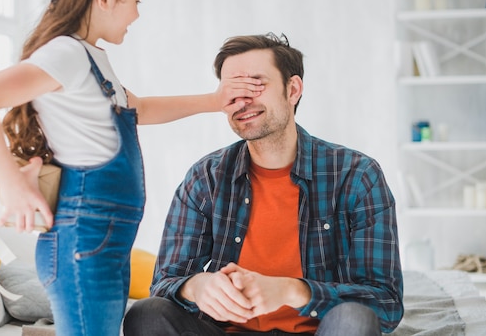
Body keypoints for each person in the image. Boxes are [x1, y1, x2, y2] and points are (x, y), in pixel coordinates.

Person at [0, 0, 262, 336]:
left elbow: (142, 108)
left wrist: (213, 100)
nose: (136, 13)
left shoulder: (92, 59)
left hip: (105, 242)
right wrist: (12, 186)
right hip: (85, 241)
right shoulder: (66, 53)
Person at [124, 33, 404, 336]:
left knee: (354, 320)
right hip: (224, 332)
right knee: (146, 314)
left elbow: (385, 304)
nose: (242, 101)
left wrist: (291, 291)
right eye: (231, 91)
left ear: (292, 89)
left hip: (321, 331)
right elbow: (164, 284)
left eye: (256, 85)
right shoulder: (205, 178)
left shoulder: (357, 175)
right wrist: (196, 286)